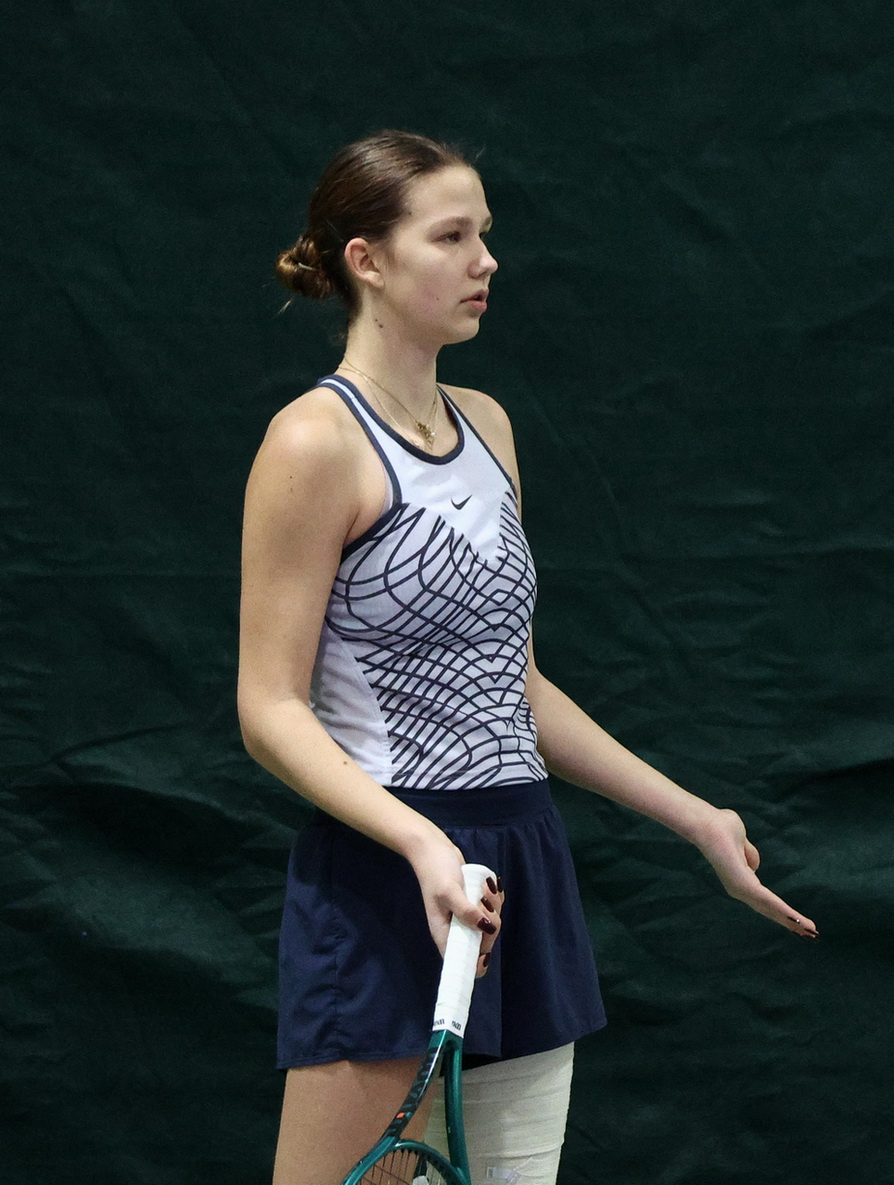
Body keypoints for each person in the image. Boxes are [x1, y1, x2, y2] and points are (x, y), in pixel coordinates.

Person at [237, 130, 818, 1185]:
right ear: (367, 260)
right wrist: (420, 845)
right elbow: (269, 708)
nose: (486, 260)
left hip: (523, 864)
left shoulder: (491, 426)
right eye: (452, 236)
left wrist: (697, 818)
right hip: (389, 875)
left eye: (487, 234)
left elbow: (518, 686)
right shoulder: (313, 442)